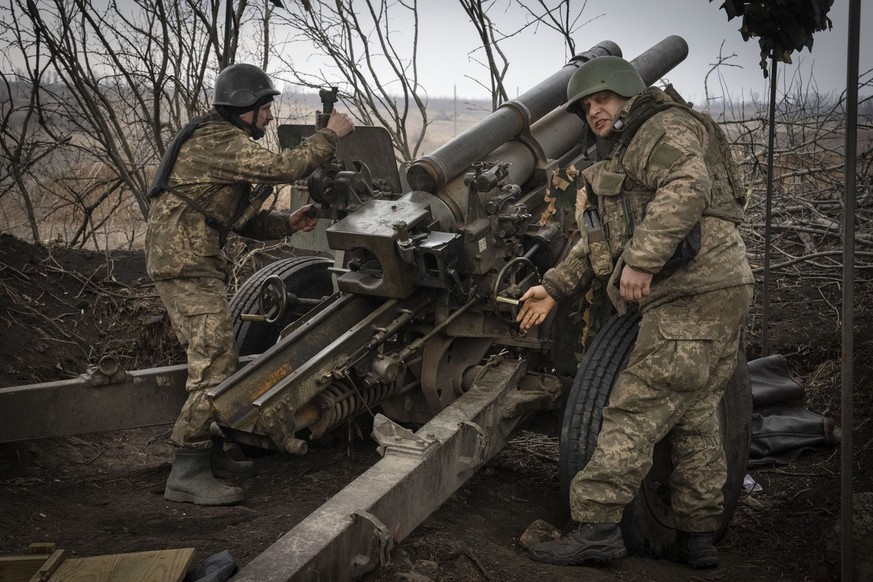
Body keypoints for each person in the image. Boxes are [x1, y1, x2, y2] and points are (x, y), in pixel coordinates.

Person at [516, 56, 754, 569]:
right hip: (718, 288)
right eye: (586, 106)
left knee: (633, 408)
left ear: (627, 93)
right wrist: (555, 288)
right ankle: (696, 537)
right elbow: (598, 238)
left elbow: (688, 185)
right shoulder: (623, 155)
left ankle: (598, 528)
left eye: (602, 99)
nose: (594, 111)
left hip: (694, 291)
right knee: (694, 417)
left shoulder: (660, 126)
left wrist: (644, 261)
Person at [145, 63, 354, 506]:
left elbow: (232, 219)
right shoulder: (217, 140)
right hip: (184, 265)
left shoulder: (222, 143)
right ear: (245, 107)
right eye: (266, 109)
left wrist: (287, 223)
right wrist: (329, 134)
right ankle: (186, 469)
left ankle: (210, 454)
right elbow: (283, 167)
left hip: (193, 261)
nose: (270, 118)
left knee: (216, 359)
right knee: (216, 364)